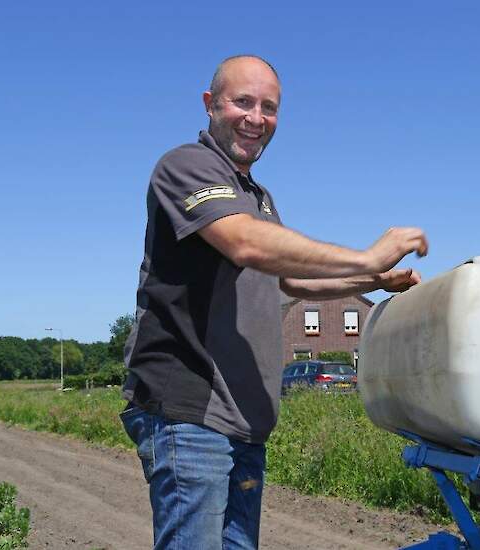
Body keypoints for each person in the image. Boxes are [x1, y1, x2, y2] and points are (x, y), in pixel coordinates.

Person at [120, 54, 428, 550]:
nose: (256, 118)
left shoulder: (257, 197)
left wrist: (372, 278)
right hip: (189, 411)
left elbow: (290, 281)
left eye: (269, 107)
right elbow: (245, 243)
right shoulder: (186, 166)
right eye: (243, 102)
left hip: (244, 418)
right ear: (210, 104)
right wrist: (364, 255)